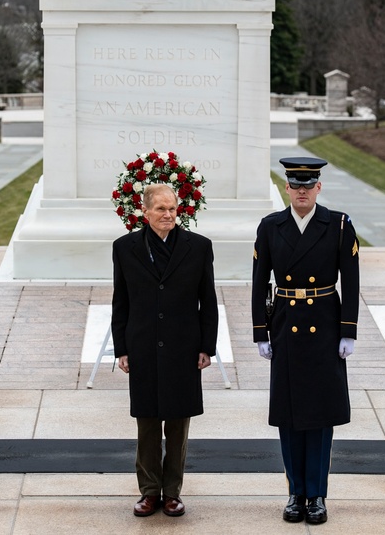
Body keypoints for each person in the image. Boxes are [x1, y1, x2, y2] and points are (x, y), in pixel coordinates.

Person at [251, 156, 360, 525]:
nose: (301, 191)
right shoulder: (271, 226)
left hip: (324, 328)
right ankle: (295, 492)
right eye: (295, 185)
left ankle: (317, 495)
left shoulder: (340, 226)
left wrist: (348, 330)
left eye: (307, 185)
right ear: (286, 188)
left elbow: (352, 280)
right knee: (289, 415)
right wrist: (260, 331)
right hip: (285, 324)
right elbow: (258, 281)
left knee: (320, 416)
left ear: (318, 187)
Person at [112, 183, 219, 518]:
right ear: (145, 212)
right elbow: (122, 300)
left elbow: (209, 301)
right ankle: (148, 492)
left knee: (177, 423)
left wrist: (207, 346)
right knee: (146, 423)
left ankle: (172, 492)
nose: (168, 214)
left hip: (183, 347)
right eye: (161, 208)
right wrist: (122, 348)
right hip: (142, 344)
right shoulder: (125, 248)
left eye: (172, 208)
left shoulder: (199, 247)